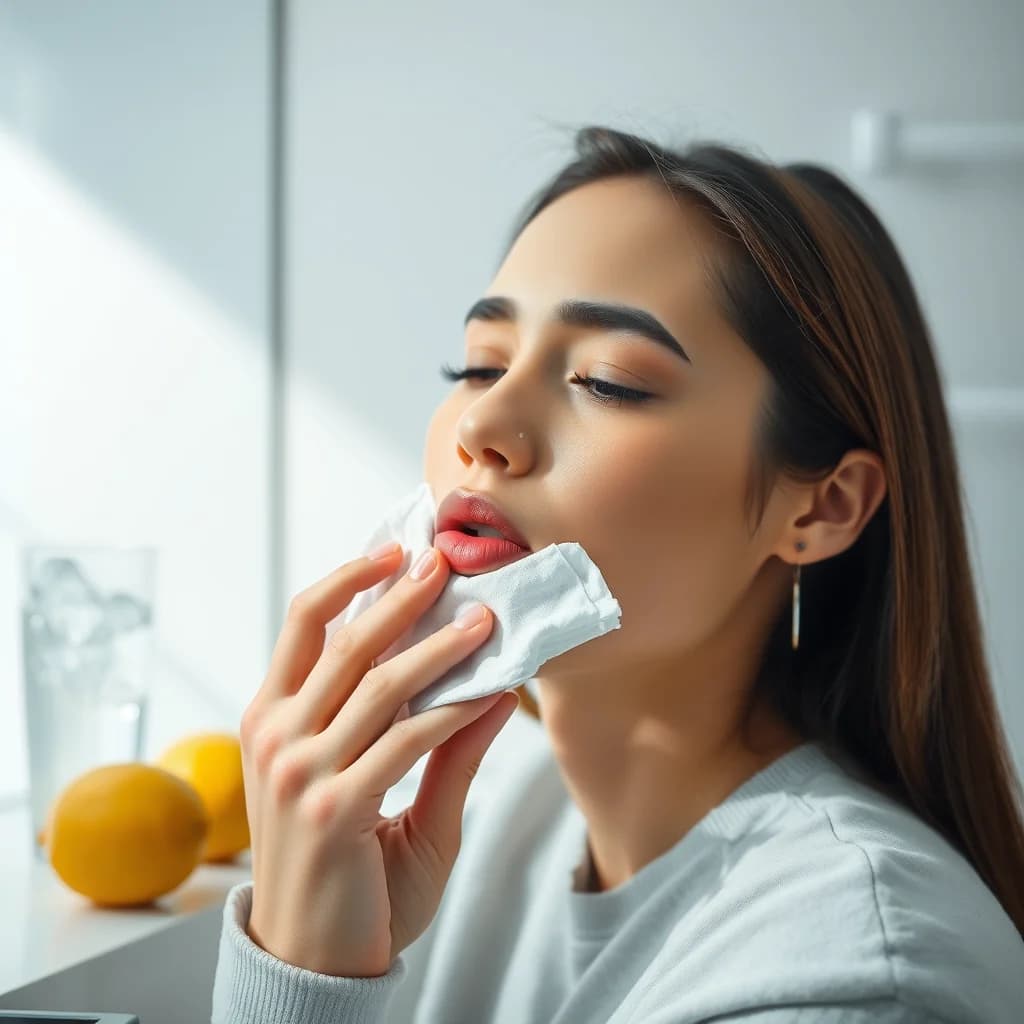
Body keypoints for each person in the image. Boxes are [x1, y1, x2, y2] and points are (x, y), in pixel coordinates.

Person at [211, 124, 1024, 1023]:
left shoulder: (856, 980)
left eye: (607, 381)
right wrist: (306, 948)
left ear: (822, 508)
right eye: (480, 364)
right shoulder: (517, 818)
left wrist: (301, 987)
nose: (483, 426)